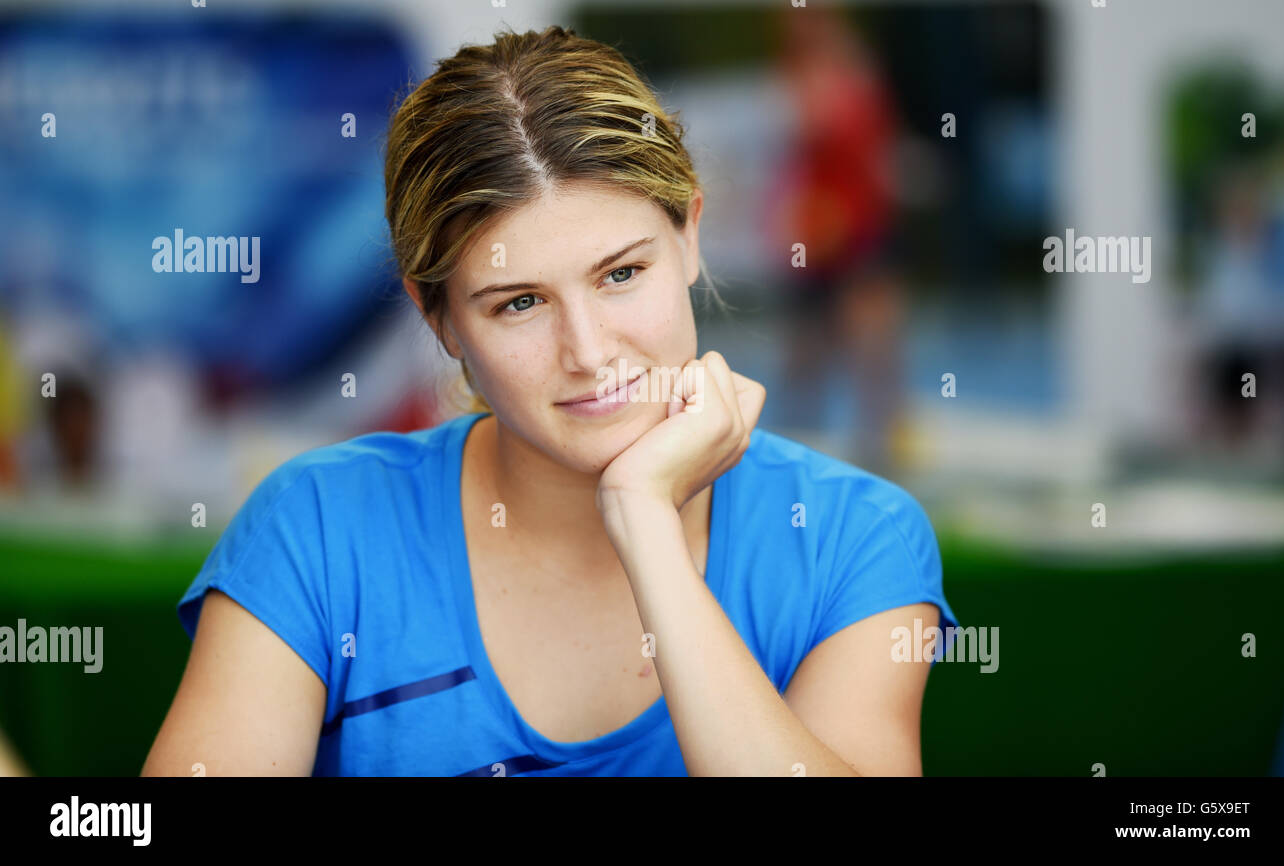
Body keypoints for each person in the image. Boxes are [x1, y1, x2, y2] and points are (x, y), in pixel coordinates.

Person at [142, 25, 957, 777]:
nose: (591, 352)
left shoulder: (853, 539)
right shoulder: (316, 528)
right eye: (519, 303)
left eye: (622, 274)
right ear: (440, 320)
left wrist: (646, 525)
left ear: (691, 236)